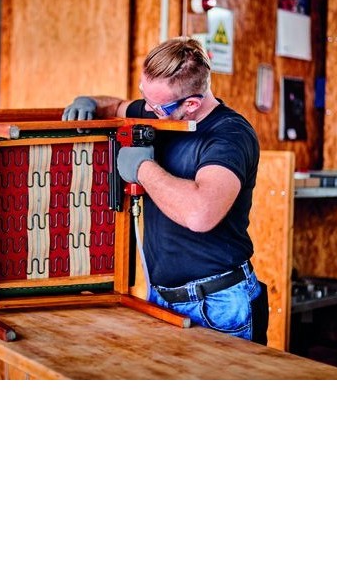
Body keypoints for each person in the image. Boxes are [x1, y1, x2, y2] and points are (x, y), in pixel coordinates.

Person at [62, 36, 265, 343]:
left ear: (191, 104)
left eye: (157, 106)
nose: (148, 109)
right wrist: (88, 102)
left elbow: (201, 214)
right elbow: (115, 105)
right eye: (145, 95)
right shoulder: (159, 109)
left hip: (217, 304)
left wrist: (142, 168)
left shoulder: (230, 136)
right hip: (161, 297)